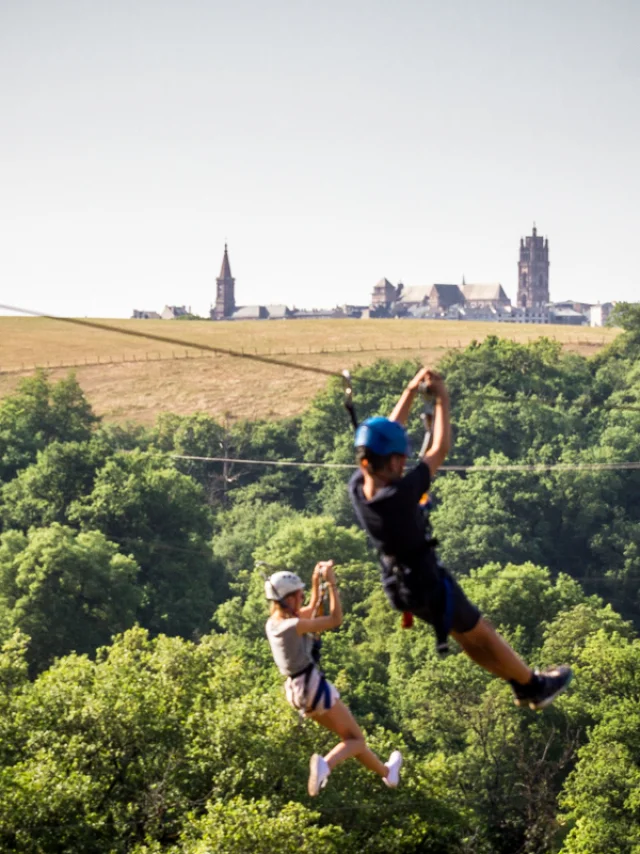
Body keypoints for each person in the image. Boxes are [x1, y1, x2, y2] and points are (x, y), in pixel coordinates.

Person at [348, 366, 573, 711]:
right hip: (426, 582)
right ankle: (533, 684)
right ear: (389, 462)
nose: (404, 461)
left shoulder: (359, 489)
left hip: (400, 587)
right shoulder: (400, 495)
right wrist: (443, 399)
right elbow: (440, 448)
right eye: (399, 458)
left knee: (468, 636)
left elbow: (390, 433)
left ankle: (520, 683)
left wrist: (409, 391)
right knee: (483, 632)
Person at [265, 560, 403, 795]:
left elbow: (310, 610)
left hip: (297, 692)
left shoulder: (274, 624)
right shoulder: (291, 626)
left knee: (349, 740)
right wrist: (331, 584)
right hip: (313, 687)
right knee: (357, 739)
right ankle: (325, 765)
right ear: (288, 599)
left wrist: (315, 582)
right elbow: (334, 619)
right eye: (298, 596)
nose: (302, 599)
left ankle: (387, 773)